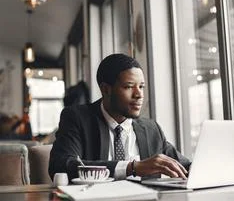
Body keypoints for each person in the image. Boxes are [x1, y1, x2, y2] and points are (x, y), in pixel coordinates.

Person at [49, 53, 191, 182]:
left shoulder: (151, 129)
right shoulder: (77, 118)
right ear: (106, 89)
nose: (139, 94)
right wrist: (132, 168)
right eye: (129, 87)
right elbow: (62, 165)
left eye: (141, 87)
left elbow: (186, 167)